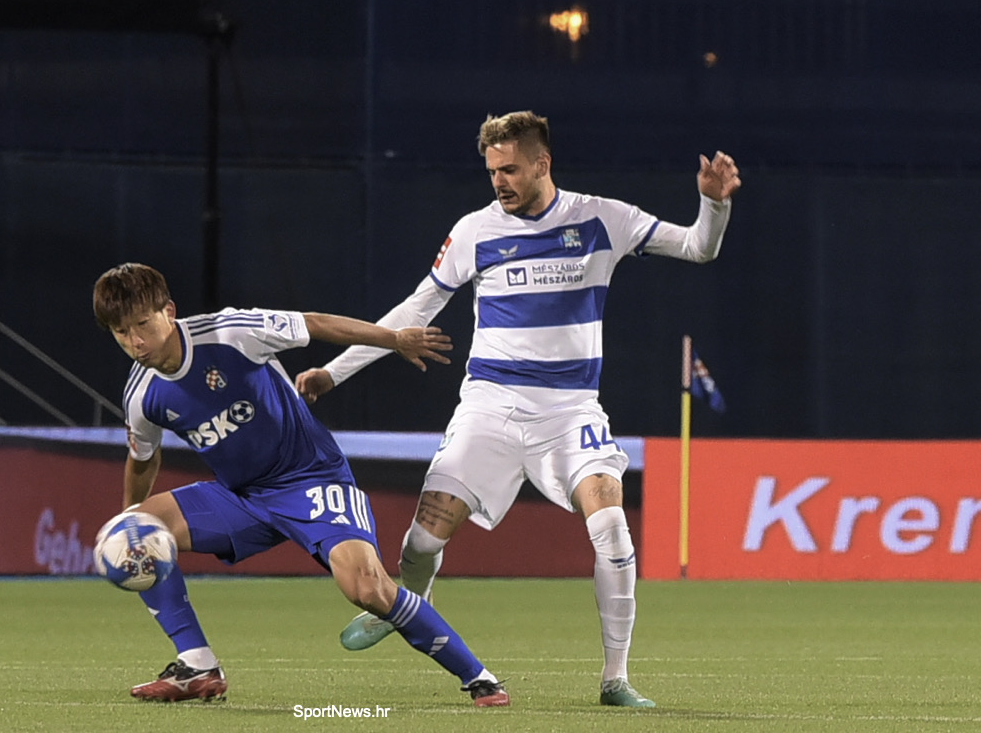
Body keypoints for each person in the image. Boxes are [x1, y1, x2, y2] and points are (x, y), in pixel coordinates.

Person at [295, 110, 742, 709]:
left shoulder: (601, 218)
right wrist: (333, 370)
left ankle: (615, 679)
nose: (499, 181)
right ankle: (405, 605)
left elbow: (697, 248)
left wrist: (714, 206)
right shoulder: (475, 231)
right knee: (423, 539)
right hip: (491, 406)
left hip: (571, 410)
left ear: (541, 163)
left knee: (611, 526)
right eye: (492, 171)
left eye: (509, 169)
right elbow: (416, 308)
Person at [91, 262, 510, 708]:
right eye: (121, 332)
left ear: (168, 311)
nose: (135, 342)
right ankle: (197, 665)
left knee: (368, 589)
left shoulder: (229, 333)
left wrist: (394, 339)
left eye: (142, 324)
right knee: (142, 528)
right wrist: (127, 524)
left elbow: (314, 323)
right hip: (242, 497)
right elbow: (142, 458)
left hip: (311, 480)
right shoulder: (141, 394)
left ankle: (479, 678)